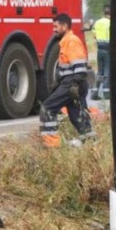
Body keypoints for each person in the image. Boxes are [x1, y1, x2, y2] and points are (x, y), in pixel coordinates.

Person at [39, 13, 95, 147]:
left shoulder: (71, 41)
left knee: (47, 109)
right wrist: (56, 86)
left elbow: (80, 66)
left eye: (55, 26)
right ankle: (91, 143)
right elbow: (67, 68)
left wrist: (74, 85)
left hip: (72, 84)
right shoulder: (66, 42)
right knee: (77, 115)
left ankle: (52, 145)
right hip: (71, 84)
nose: (53, 29)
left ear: (64, 26)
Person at [92, 6, 112, 98]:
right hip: (108, 48)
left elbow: (94, 36)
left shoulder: (97, 22)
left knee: (100, 71)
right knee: (107, 70)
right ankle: (106, 92)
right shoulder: (110, 23)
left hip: (99, 48)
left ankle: (95, 92)